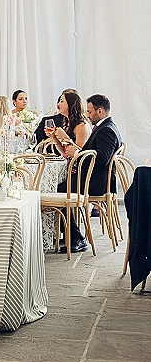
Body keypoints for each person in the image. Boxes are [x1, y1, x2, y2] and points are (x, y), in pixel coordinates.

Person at [56, 93, 121, 253]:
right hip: (93, 178)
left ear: (100, 111)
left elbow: (101, 160)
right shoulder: (103, 127)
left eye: (90, 112)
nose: (87, 115)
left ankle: (76, 238)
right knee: (60, 187)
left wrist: (77, 154)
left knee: (58, 191)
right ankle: (69, 234)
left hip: (96, 182)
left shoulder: (107, 130)